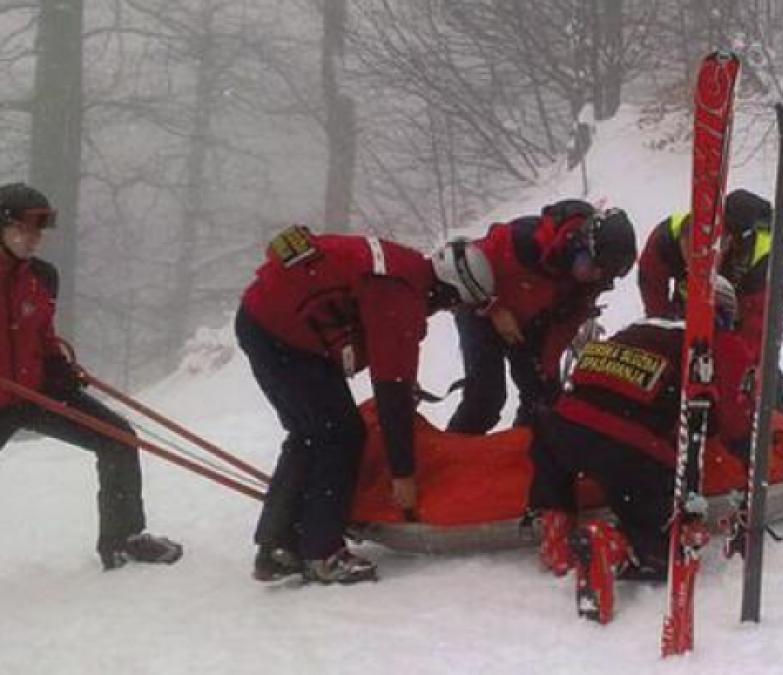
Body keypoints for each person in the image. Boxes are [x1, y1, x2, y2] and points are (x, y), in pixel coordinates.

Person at [238, 227, 494, 583]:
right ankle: (322, 552)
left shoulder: (403, 270)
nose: (451, 311)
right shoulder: (400, 294)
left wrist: (402, 384)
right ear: (449, 289)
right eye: (457, 303)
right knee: (339, 435)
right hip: (285, 337)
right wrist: (403, 474)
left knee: (310, 433)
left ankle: (279, 546)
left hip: (268, 321)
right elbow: (391, 389)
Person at [526, 280, 755, 624]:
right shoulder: (717, 343)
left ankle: (555, 534)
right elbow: (736, 420)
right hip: (628, 444)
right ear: (724, 314)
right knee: (669, 549)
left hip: (560, 427)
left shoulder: (639, 327)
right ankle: (612, 546)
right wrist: (745, 453)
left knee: (556, 462)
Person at [0, 182, 182, 570]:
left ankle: (123, 540)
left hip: (34, 393)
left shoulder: (42, 276)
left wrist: (57, 366)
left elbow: (42, 333)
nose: (34, 239)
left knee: (118, 438)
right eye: (25, 229)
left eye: (39, 230)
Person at [445, 200, 637, 434]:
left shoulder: (591, 281)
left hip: (533, 319)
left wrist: (545, 374)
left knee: (543, 402)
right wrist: (493, 308)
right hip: (480, 307)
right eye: (592, 266)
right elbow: (465, 267)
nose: (594, 276)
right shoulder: (524, 240)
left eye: (603, 274)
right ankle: (452, 450)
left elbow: (563, 327)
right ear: (580, 246)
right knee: (486, 399)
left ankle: (524, 450)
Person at [637, 188, 774, 348]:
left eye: (701, 261)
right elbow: (652, 289)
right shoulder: (665, 239)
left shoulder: (760, 262)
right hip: (690, 306)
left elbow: (755, 339)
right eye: (688, 258)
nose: (693, 267)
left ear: (725, 244)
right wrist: (665, 336)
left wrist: (724, 351)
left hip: (748, 301)